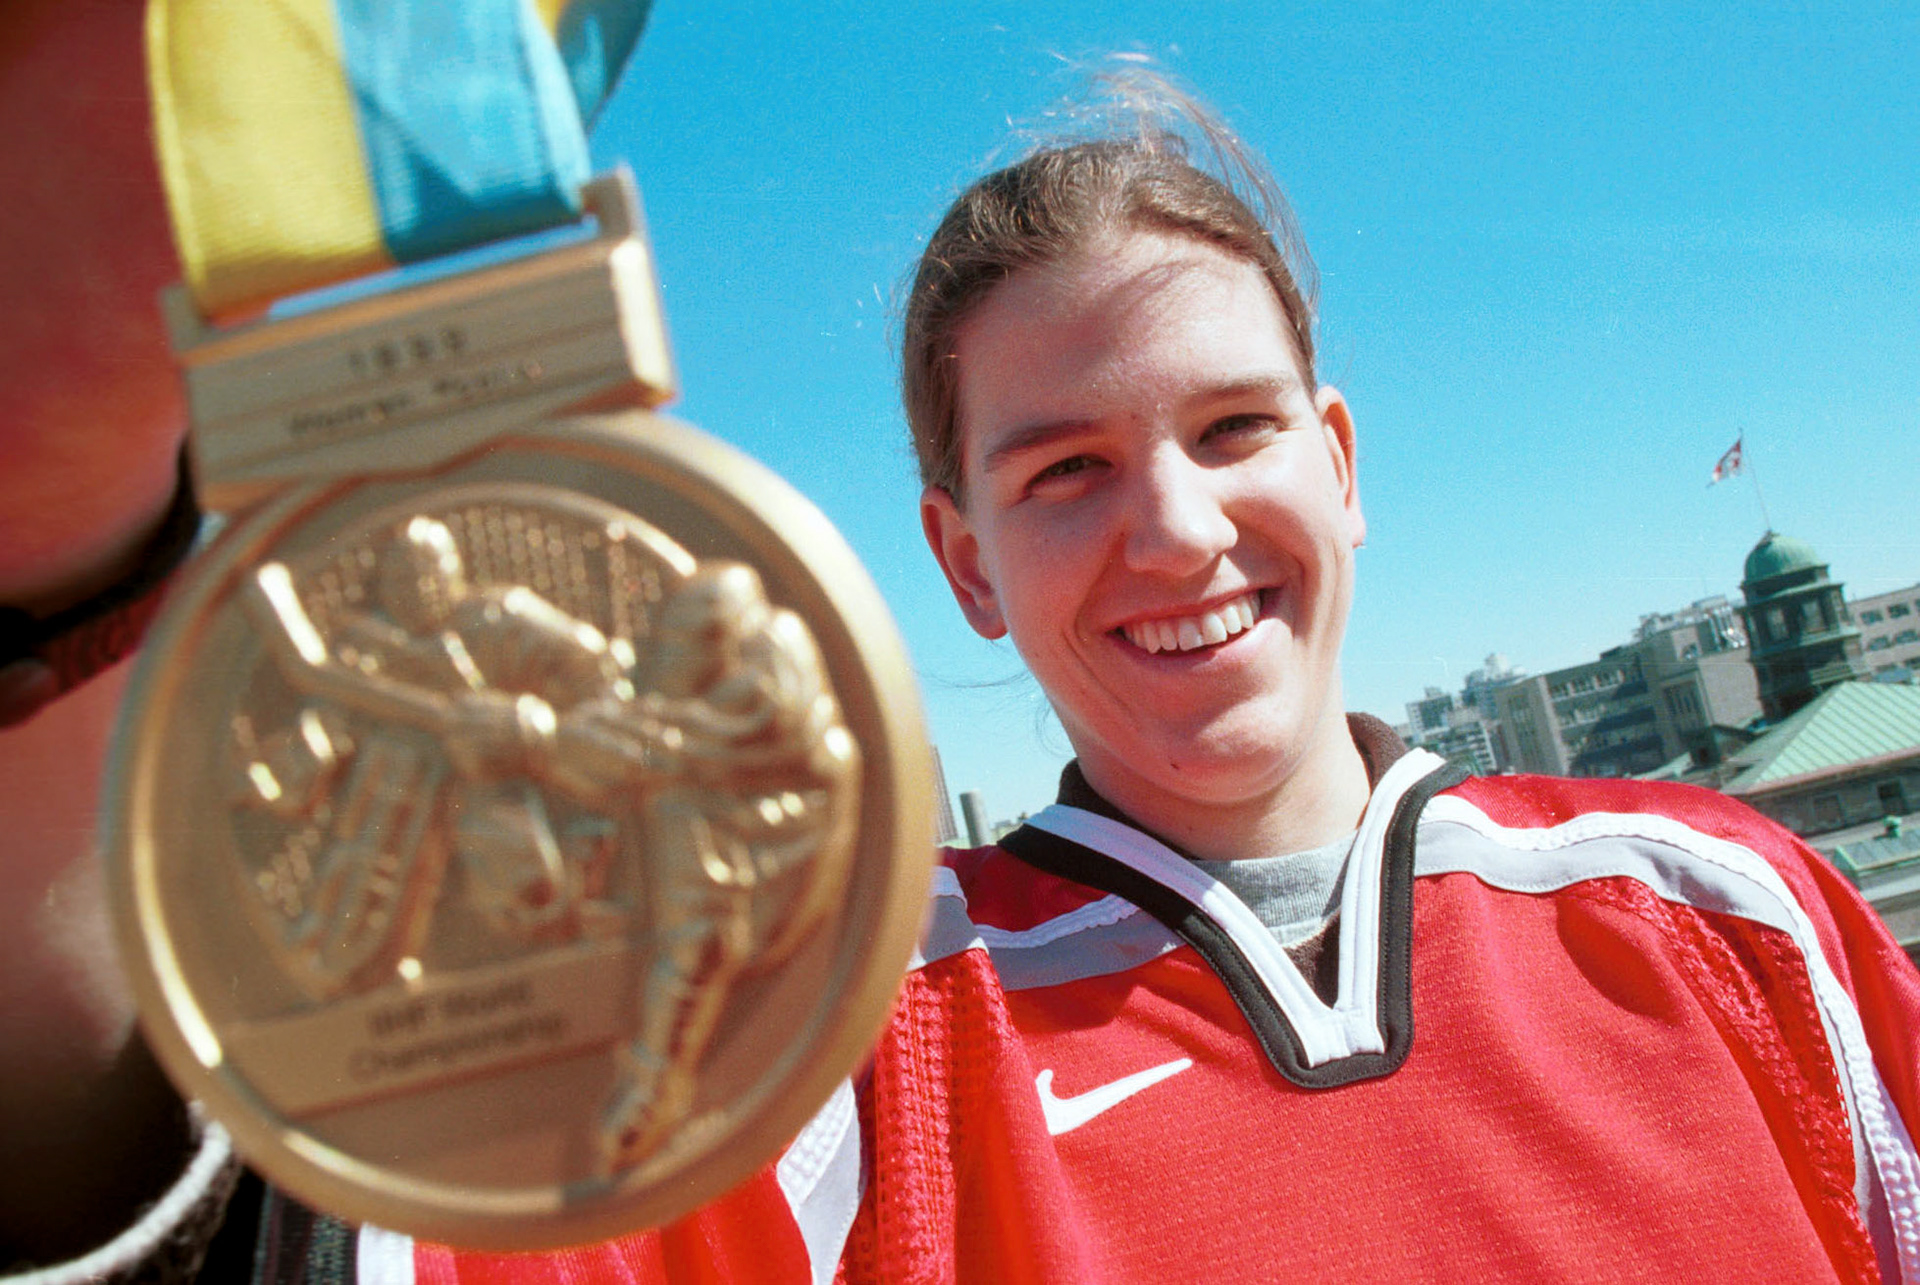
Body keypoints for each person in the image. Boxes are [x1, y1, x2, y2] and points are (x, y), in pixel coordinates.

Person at [5, 7, 1920, 1282]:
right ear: (964, 562)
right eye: (1064, 466)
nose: (1172, 522)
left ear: (1339, 465)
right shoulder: (835, 1027)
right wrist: (61, 508)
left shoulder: (1720, 905)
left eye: (1234, 428)